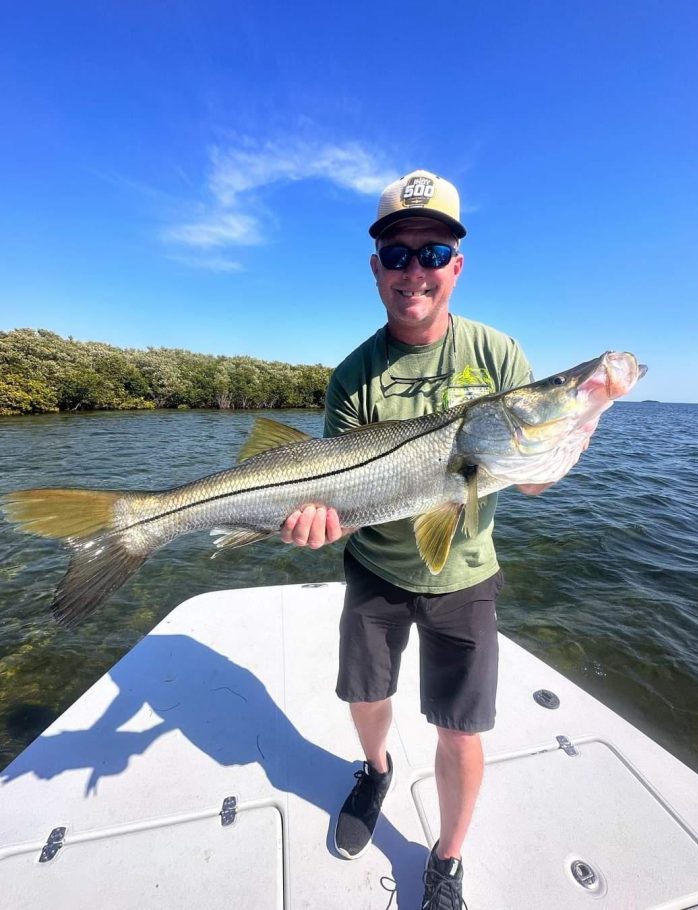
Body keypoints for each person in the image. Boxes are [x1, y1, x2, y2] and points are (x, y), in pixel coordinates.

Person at [281, 169, 548, 910]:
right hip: (373, 566)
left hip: (465, 575)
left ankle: (449, 858)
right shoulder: (353, 377)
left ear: (456, 266)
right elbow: (331, 490)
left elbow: (528, 474)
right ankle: (376, 770)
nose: (414, 271)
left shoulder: (498, 356)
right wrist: (314, 521)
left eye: (433, 254)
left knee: (460, 730)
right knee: (366, 694)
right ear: (376, 269)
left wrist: (560, 442)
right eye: (396, 254)